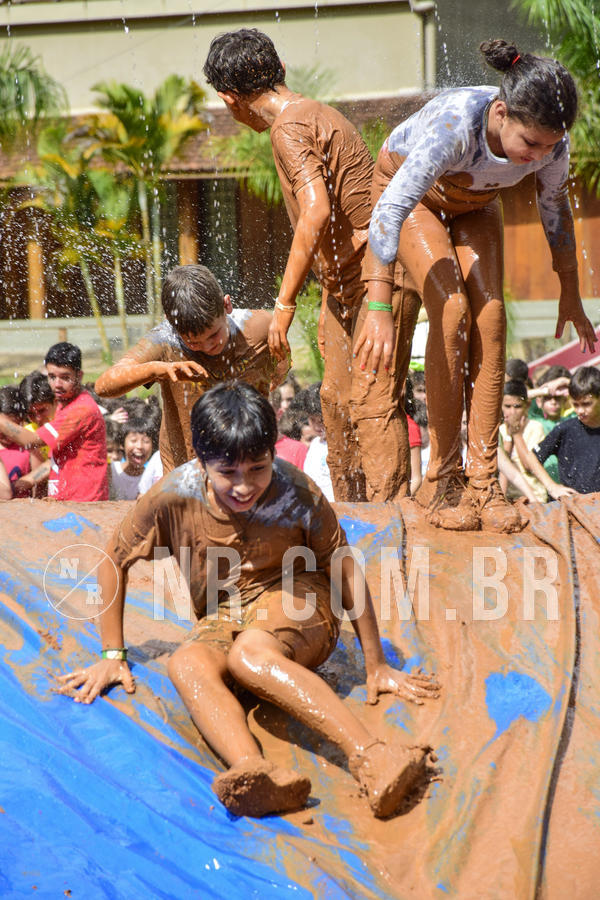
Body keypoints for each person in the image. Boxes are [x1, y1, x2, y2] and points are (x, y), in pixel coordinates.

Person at [56, 382, 439, 819]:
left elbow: (345, 566)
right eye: (228, 473)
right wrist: (112, 654)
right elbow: (112, 560)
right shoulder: (173, 494)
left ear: (273, 455)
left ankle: (373, 755)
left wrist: (377, 664)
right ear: (202, 464)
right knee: (185, 663)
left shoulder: (297, 491)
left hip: (301, 600)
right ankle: (253, 772)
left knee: (248, 657)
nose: (244, 486)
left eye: (258, 469)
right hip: (225, 614)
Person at [354, 39, 596, 532]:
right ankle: (440, 479)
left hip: (476, 203)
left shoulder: (552, 143)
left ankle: (483, 482)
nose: (539, 157)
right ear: (501, 113)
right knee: (451, 311)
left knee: (492, 316)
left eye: (550, 146)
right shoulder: (454, 128)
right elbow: (392, 207)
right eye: (531, 144)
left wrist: (569, 291)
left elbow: (555, 212)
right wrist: (377, 301)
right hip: (413, 198)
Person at [204, 28, 419, 503]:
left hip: (377, 280)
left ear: (229, 98)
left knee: (371, 401)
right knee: (336, 403)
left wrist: (283, 305)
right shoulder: (310, 114)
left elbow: (316, 210)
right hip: (345, 285)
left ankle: (390, 523)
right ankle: (353, 515)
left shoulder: (288, 127)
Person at [95, 264, 287, 473]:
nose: (208, 347)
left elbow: (281, 368)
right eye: (193, 342)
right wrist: (155, 370)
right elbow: (104, 386)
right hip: (186, 471)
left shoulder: (259, 328)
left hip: (249, 465)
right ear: (171, 324)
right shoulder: (165, 342)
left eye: (214, 335)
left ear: (227, 305)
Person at [0, 343, 108, 501]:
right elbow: (52, 461)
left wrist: (2, 422)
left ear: (80, 376)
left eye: (65, 377)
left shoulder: (80, 409)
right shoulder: (64, 403)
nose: (57, 384)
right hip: (67, 499)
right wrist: (28, 480)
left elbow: (33, 441)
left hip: (84, 502)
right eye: (52, 377)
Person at [529, 366, 600, 494]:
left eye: (586, 404)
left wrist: (565, 381)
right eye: (576, 405)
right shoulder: (565, 430)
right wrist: (552, 487)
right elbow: (531, 458)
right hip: (574, 505)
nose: (580, 411)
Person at [500, 380, 548, 502]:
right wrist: (509, 436)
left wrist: (517, 435)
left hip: (536, 498)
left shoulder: (535, 428)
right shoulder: (500, 430)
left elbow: (528, 466)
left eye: (517, 406)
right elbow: (502, 466)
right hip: (511, 500)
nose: (512, 412)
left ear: (527, 405)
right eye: (507, 406)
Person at [0, 386, 45, 497]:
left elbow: (39, 493)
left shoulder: (29, 447)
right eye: (5, 429)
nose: (9, 436)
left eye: (15, 429)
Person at [109, 414, 159, 500]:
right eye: (133, 440)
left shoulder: (152, 477)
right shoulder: (112, 471)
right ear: (122, 444)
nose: (139, 446)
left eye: (146, 441)